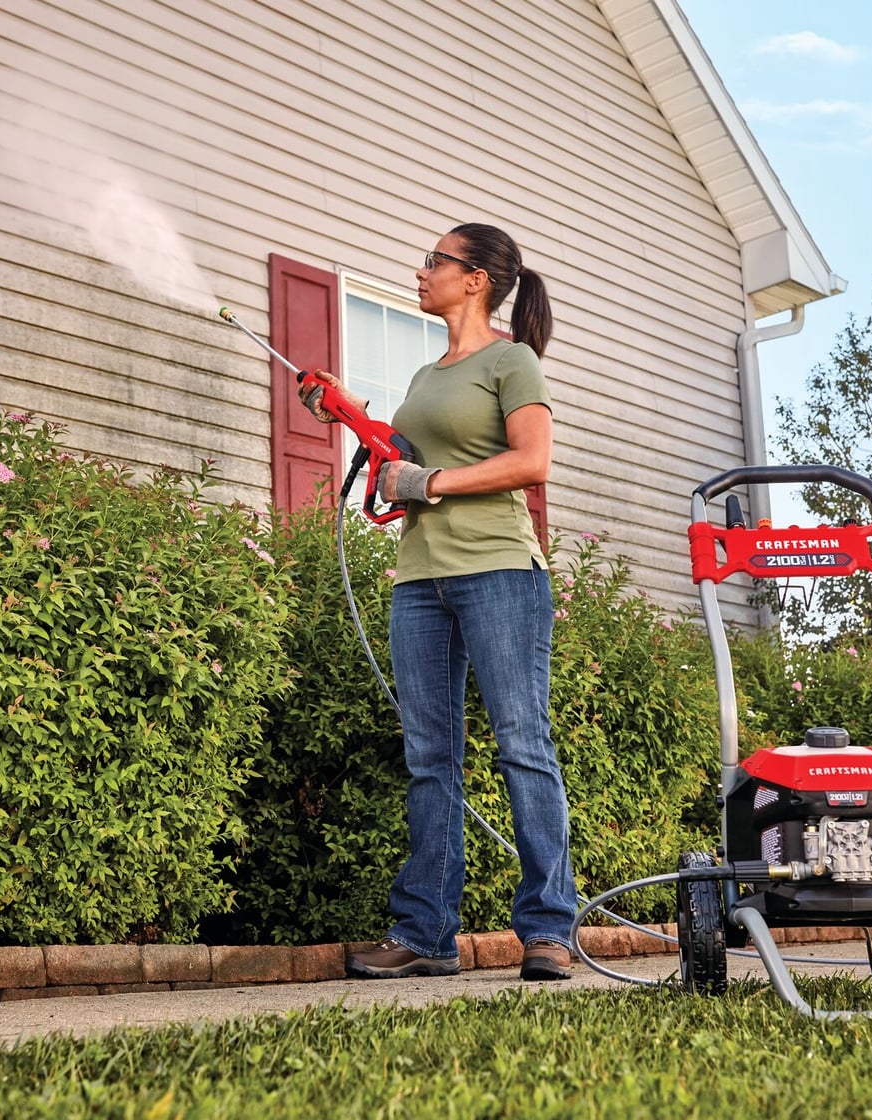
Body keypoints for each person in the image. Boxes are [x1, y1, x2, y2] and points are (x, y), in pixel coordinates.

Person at [308, 223, 577, 982]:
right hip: (420, 580)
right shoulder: (427, 376)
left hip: (499, 571)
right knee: (430, 757)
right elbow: (402, 462)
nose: (421, 271)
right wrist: (347, 413)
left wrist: (430, 482)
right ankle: (426, 933)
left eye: (436, 261)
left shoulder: (511, 360)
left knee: (522, 744)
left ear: (477, 279)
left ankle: (549, 929)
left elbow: (532, 460)